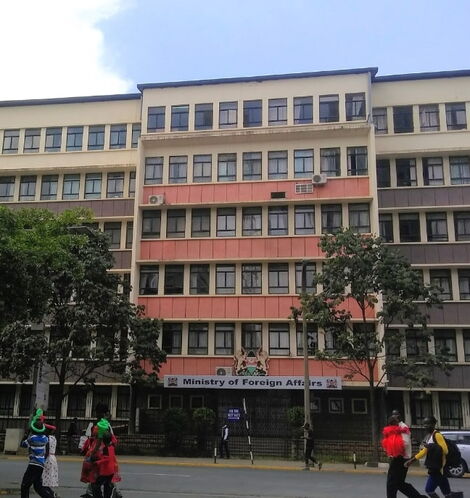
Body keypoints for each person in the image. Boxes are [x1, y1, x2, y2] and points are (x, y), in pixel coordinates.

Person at [405, 416, 454, 498]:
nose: (425, 426)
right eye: (424, 424)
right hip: (438, 468)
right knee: (447, 493)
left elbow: (445, 450)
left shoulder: (437, 435)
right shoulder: (429, 436)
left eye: (428, 424)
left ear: (433, 424)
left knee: (429, 490)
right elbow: (424, 451)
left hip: (438, 468)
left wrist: (430, 446)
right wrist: (412, 460)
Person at [382, 414, 426, 498]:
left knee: (391, 483)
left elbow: (405, 443)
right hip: (397, 457)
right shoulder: (396, 427)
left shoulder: (403, 428)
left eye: (395, 416)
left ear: (398, 419)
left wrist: (394, 448)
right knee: (399, 483)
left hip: (400, 458)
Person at [20, 409, 55, 498]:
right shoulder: (44, 438)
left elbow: (23, 444)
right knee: (38, 486)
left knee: (25, 485)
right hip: (41, 465)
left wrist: (26, 434)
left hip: (33, 464)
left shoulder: (32, 438)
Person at [91, 431, 117, 498]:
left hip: (106, 471)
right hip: (111, 470)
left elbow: (106, 459)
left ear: (103, 440)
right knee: (107, 485)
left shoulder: (106, 448)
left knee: (95, 485)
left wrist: (98, 462)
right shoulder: (112, 446)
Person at [42, 426, 59, 498]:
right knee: (47, 478)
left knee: (44, 479)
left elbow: (47, 450)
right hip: (53, 457)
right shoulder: (53, 438)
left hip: (48, 458)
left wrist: (43, 460)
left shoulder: (47, 438)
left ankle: (51, 494)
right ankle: (51, 493)